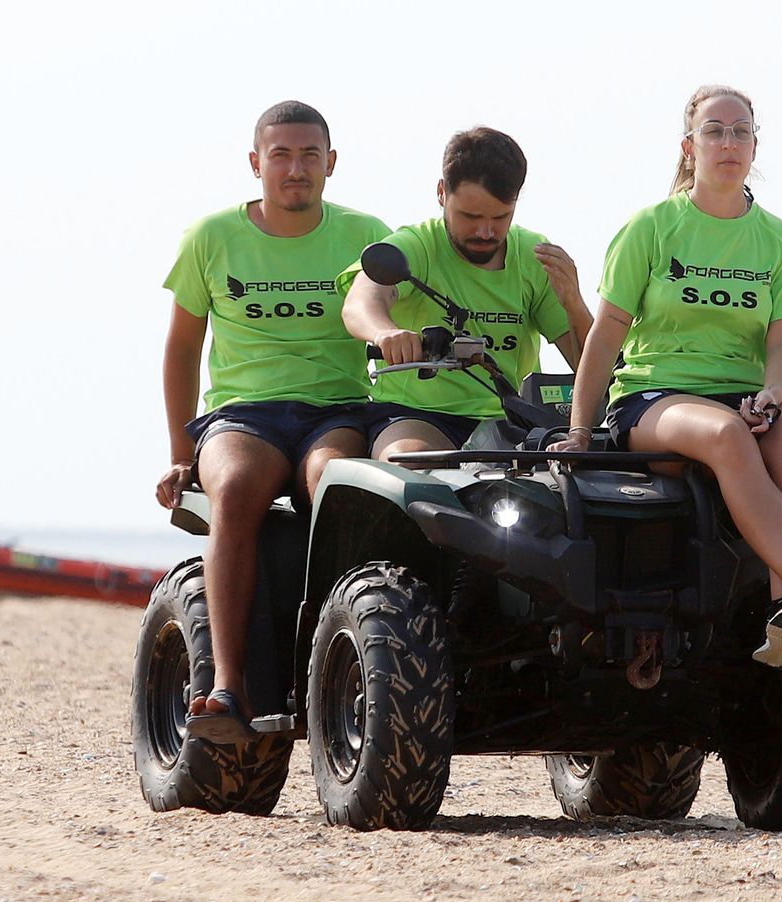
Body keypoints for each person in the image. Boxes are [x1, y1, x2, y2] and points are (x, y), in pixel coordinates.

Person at [549, 85, 782, 670]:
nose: (728, 142)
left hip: (742, 395)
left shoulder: (776, 237)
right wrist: (581, 431)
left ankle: (781, 620)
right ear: (690, 148)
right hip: (654, 397)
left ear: (755, 145)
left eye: (741, 131)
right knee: (724, 436)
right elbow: (605, 335)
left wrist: (772, 393)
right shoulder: (652, 227)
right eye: (714, 131)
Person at [157, 101, 391, 743]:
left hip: (335, 411)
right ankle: (228, 688)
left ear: (331, 164)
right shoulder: (211, 238)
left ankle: (338, 673)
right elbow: (181, 350)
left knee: (336, 484)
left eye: (309, 155)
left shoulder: (366, 235)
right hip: (242, 416)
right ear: (256, 163)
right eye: (281, 155)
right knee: (234, 488)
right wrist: (181, 450)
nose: (296, 168)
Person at [338, 127, 591, 458]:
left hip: (509, 425)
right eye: (471, 217)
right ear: (442, 193)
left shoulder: (535, 257)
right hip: (415, 416)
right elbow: (359, 302)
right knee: (407, 461)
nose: (486, 232)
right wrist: (385, 333)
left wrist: (574, 305)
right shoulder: (417, 245)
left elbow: (588, 362)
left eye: (501, 218)